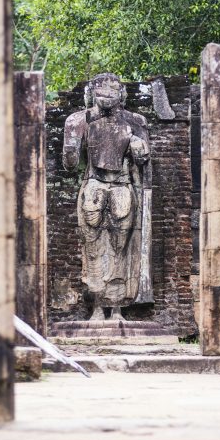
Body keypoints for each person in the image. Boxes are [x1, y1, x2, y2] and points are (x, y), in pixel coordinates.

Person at [62, 73, 153, 321]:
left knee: (120, 246)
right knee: (92, 245)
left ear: (122, 94)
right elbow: (70, 165)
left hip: (122, 184)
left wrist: (138, 148)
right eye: (100, 90)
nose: (107, 95)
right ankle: (97, 306)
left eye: (113, 90)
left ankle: (117, 308)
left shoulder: (135, 121)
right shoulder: (80, 120)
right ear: (91, 93)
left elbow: (145, 164)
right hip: (93, 182)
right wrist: (72, 142)